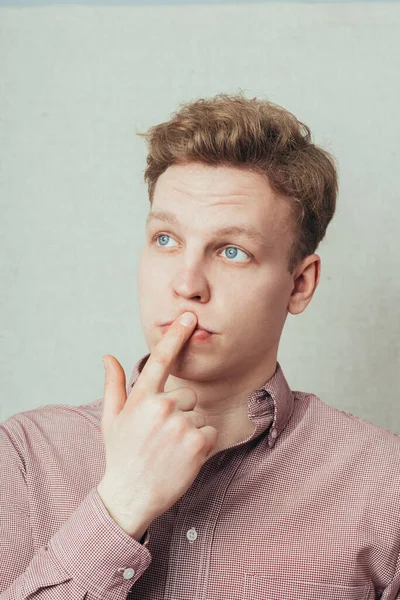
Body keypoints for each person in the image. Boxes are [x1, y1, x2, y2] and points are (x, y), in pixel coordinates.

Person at [1, 92, 399, 600]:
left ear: (300, 284)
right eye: (166, 239)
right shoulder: (24, 455)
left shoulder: (387, 485)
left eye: (233, 251)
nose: (187, 283)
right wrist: (119, 506)